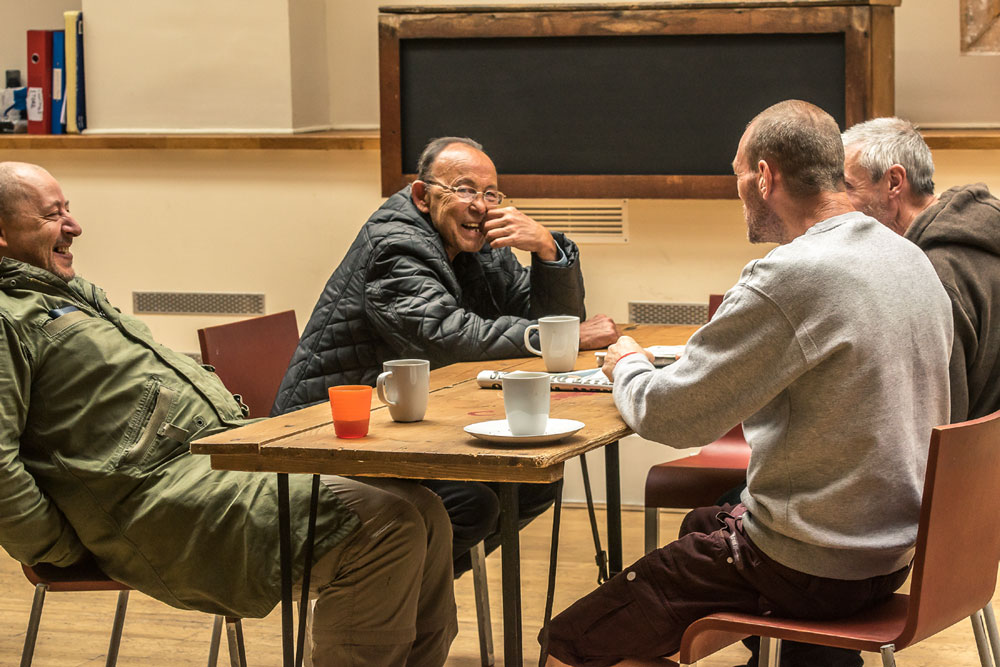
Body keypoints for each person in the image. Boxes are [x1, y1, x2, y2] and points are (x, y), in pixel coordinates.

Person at [541, 100, 953, 667]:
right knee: (702, 521)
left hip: (809, 565)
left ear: (764, 176)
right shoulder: (908, 258)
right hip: (889, 554)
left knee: (569, 648)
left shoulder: (792, 273)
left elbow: (671, 416)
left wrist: (628, 364)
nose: (735, 191)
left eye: (736, 174)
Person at [0, 161, 457, 666]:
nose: (74, 226)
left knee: (426, 511)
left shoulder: (61, 292)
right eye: (52, 215)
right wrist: (57, 548)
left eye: (68, 209)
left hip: (214, 459)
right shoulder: (6, 316)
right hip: (155, 500)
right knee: (386, 527)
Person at [272, 136, 620, 575]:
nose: (480, 205)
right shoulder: (395, 245)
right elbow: (444, 335)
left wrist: (548, 251)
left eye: (490, 193)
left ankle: (412, 596)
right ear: (423, 196)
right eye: (464, 189)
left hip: (399, 428)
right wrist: (550, 335)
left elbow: (552, 325)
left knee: (530, 485)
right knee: (472, 502)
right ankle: (389, 593)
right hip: (327, 438)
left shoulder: (479, 241)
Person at [843, 116, 1000, 422]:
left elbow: (931, 424)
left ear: (893, 182)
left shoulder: (929, 278)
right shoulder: (982, 236)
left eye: (847, 186)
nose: (837, 204)